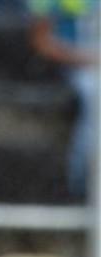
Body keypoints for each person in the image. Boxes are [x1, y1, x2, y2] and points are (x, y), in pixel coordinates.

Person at [29, 0, 98, 199]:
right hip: (74, 72)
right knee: (94, 94)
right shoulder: (54, 4)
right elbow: (41, 41)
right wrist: (87, 59)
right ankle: (81, 183)